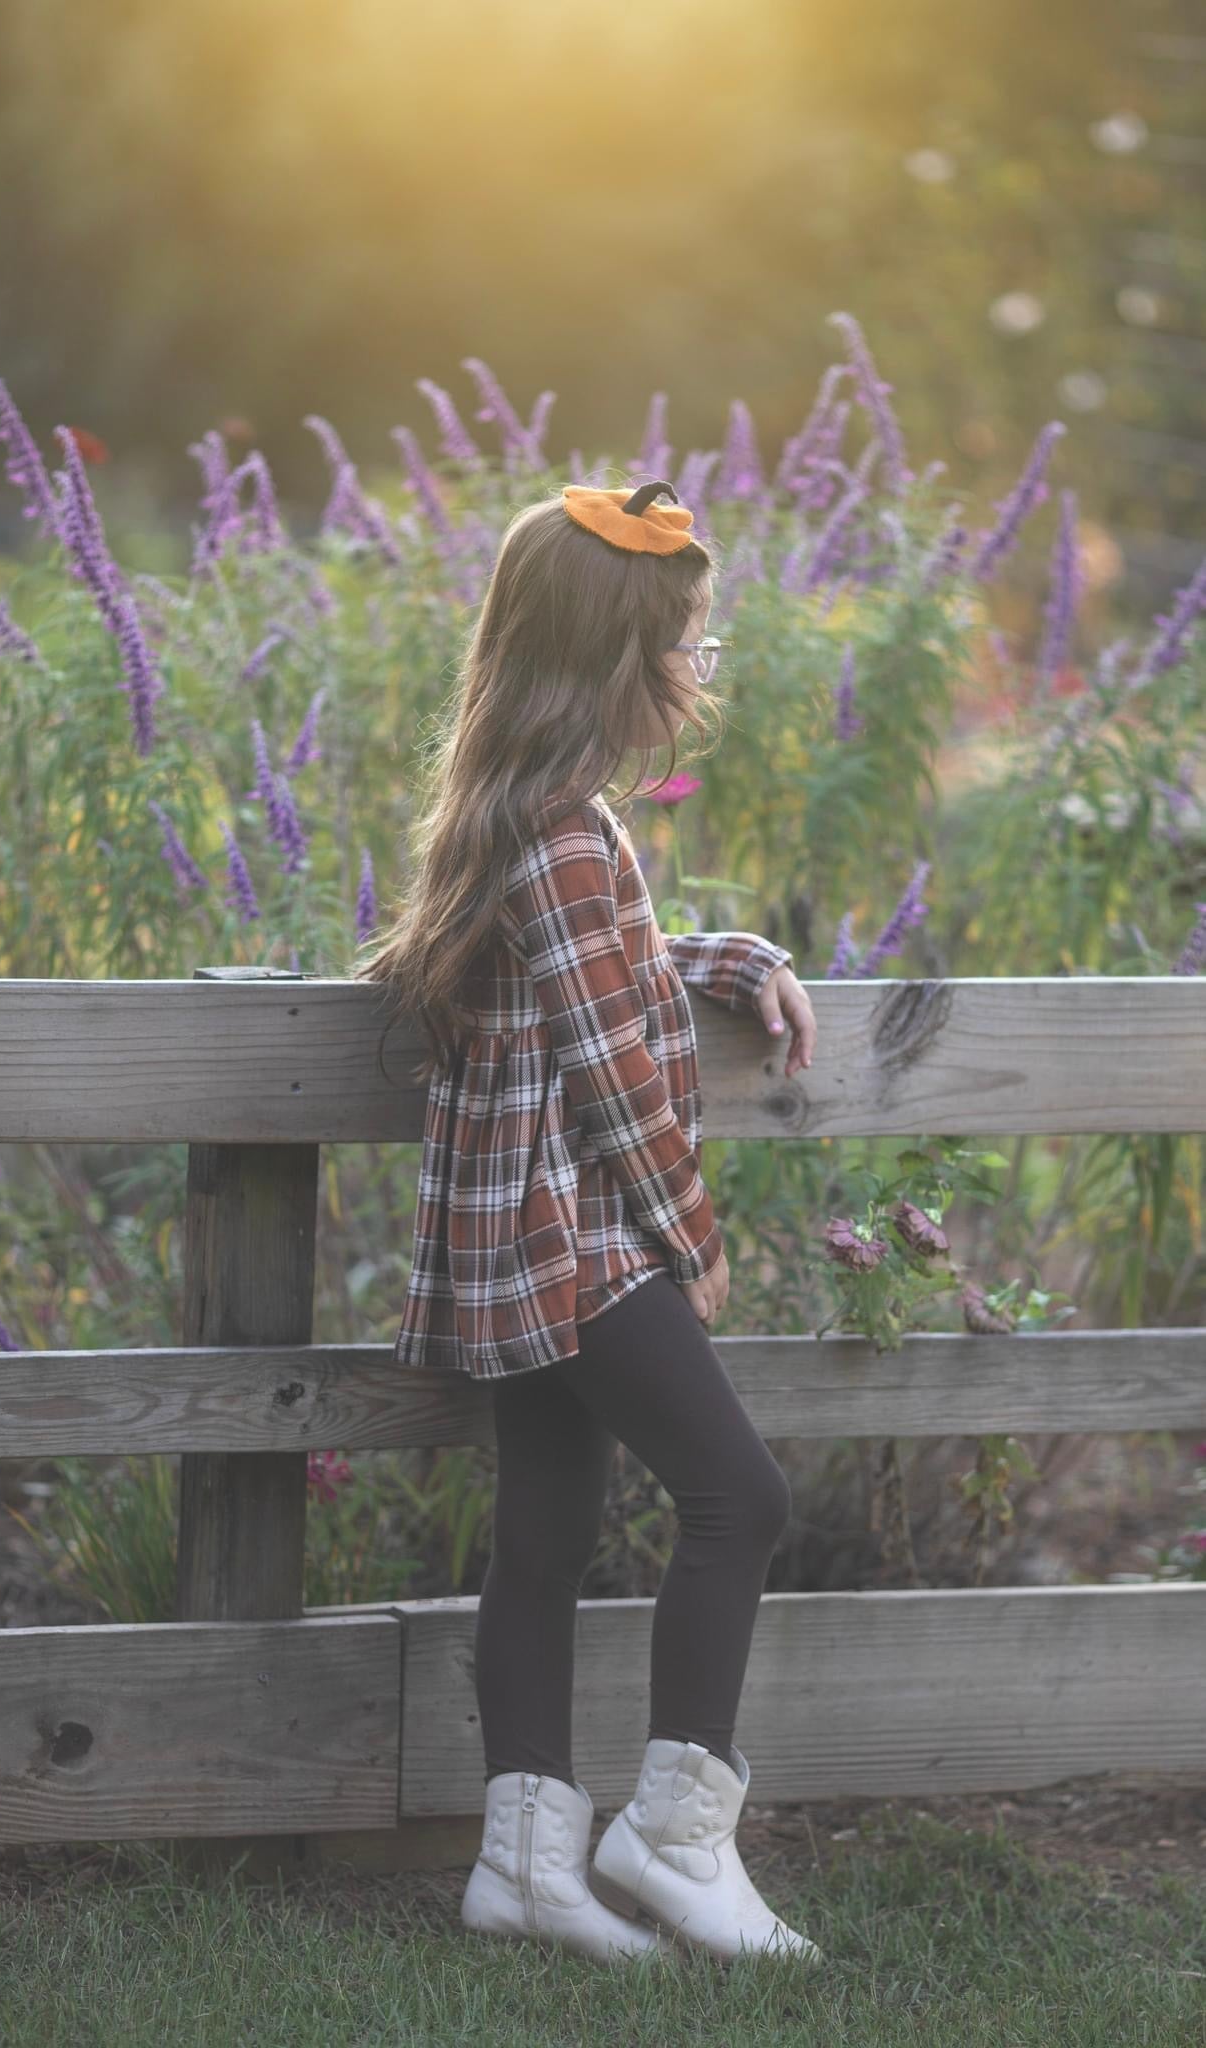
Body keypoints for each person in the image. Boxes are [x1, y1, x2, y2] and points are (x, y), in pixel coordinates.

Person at [354, 479, 822, 1968]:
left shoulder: (537, 825)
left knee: (543, 1539)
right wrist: (692, 1239)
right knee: (740, 1499)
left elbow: (604, 965)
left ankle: (523, 1869)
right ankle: (675, 1838)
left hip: (509, 1247)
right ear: (608, 660)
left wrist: (732, 954)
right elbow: (620, 1084)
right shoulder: (559, 834)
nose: (694, 672)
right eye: (678, 645)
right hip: (573, 1238)